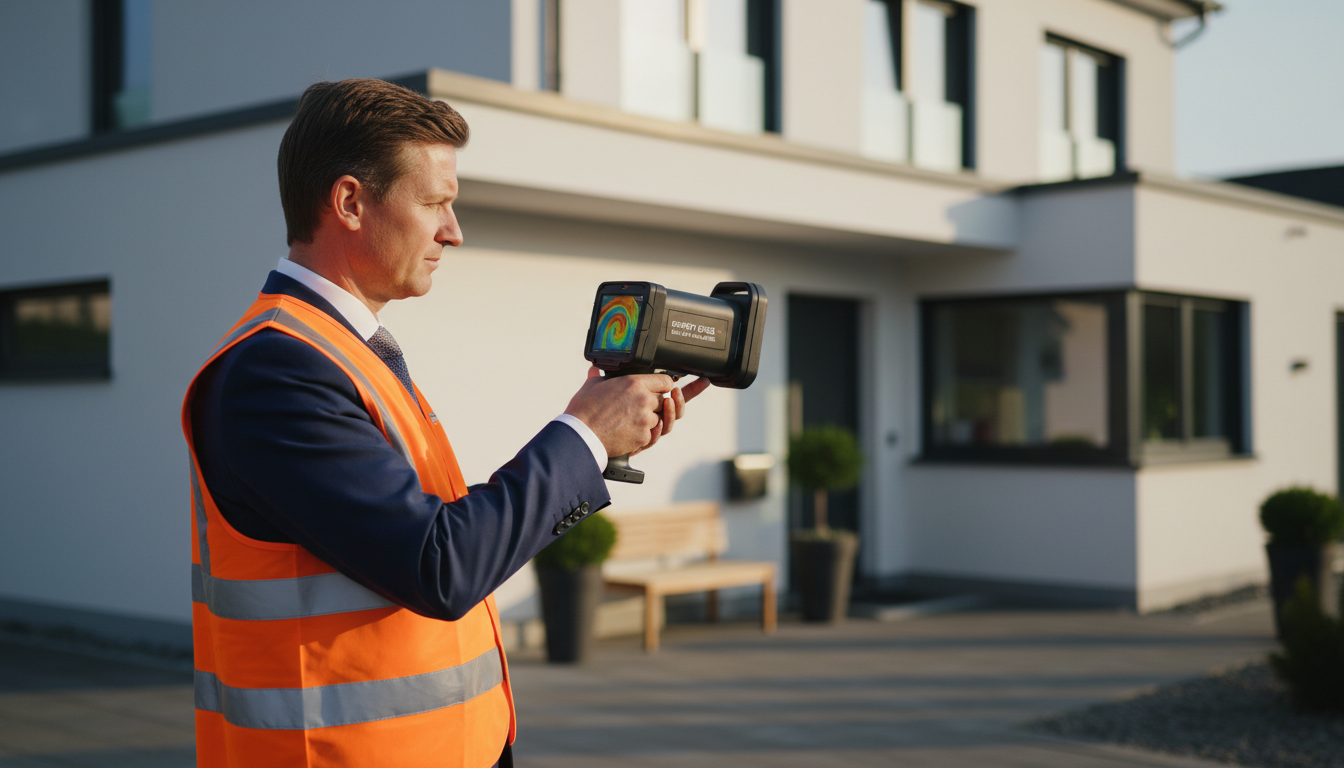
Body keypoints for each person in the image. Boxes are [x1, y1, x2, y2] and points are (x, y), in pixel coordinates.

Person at [181, 78, 709, 768]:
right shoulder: (276, 371)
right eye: (435, 203)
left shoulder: (343, 355)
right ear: (348, 202)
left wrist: (599, 440)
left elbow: (441, 536)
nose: (454, 232)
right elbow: (439, 565)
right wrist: (580, 434)